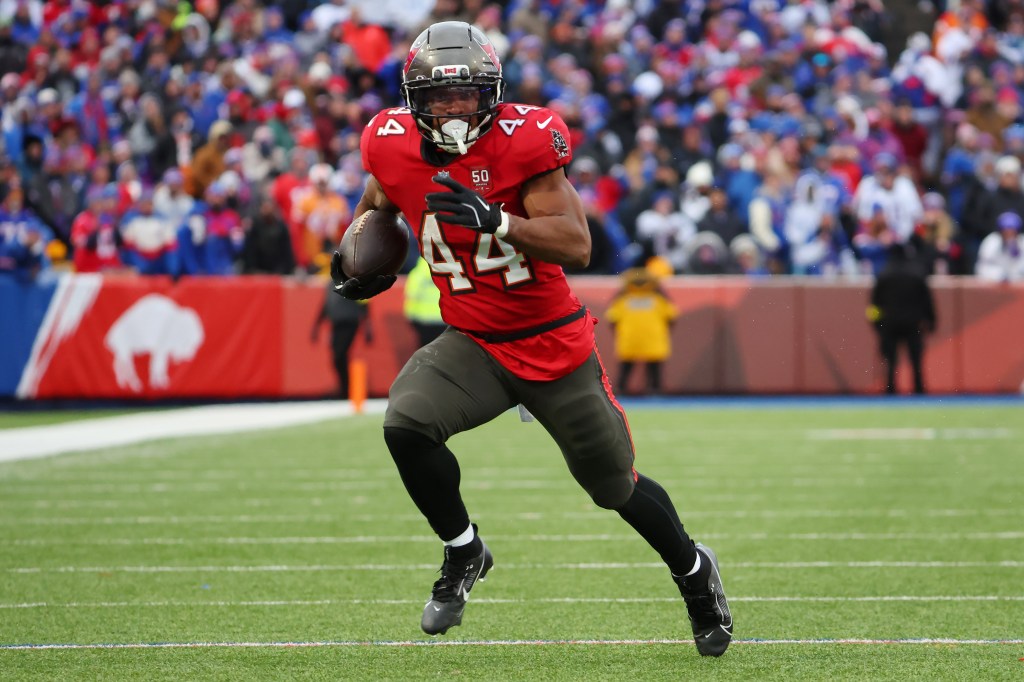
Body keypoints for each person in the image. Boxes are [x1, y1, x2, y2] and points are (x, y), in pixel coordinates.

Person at [329, 21, 732, 656]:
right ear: (415, 100)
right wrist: (357, 256)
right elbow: (379, 200)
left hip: (551, 343)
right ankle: (464, 550)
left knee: (613, 487)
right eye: (439, 98)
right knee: (406, 424)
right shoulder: (388, 141)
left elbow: (577, 242)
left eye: (466, 97)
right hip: (475, 342)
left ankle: (694, 572)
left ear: (491, 94)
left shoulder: (525, 142)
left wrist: (500, 220)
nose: (454, 109)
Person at [868, 243, 937, 395]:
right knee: (916, 360)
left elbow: (874, 303)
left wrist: (876, 323)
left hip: (890, 323)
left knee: (890, 360)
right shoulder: (917, 273)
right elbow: (927, 301)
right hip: (913, 323)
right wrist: (931, 320)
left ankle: (890, 389)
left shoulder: (884, 274)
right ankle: (919, 389)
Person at [605, 268, 678, 396]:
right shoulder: (659, 299)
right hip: (654, 338)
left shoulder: (623, 299)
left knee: (626, 367)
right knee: (654, 368)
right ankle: (655, 391)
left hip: (629, 338)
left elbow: (612, 319)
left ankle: (621, 390)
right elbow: (671, 317)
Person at [311, 278, 370, 398]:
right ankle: (344, 388)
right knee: (338, 356)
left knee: (339, 355)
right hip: (336, 324)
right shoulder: (331, 283)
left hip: (349, 322)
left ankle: (345, 389)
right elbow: (326, 304)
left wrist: (368, 326)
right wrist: (316, 326)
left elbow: (364, 304)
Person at [403, 257, 447, 347]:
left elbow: (412, 293)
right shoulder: (449, 271)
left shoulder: (419, 272)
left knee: (426, 350)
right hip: (444, 318)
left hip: (423, 319)